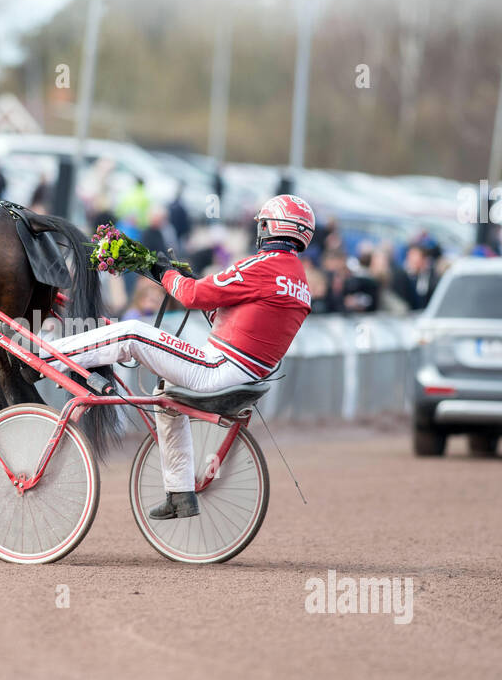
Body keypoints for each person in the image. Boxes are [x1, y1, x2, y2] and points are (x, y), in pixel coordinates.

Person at [39, 194, 315, 521]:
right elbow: (235, 319)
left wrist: (163, 272)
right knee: (164, 398)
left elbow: (192, 295)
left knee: (132, 333)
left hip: (217, 370)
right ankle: (180, 493)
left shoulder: (263, 266)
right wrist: (171, 277)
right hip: (240, 374)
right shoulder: (299, 282)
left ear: (270, 227)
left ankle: (44, 356)